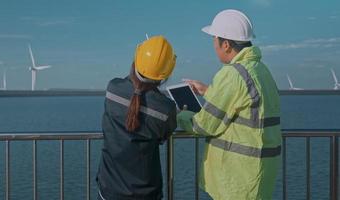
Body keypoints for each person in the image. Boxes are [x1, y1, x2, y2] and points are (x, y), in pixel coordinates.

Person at [178, 9, 281, 199]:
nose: (214, 47)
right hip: (261, 172)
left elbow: (203, 124)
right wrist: (209, 91)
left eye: (215, 42)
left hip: (239, 178)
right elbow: (245, 104)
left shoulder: (232, 74)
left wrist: (180, 115)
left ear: (226, 44)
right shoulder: (261, 70)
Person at [96, 35, 177, 200]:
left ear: (135, 62)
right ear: (164, 75)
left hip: (110, 190)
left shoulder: (113, 88)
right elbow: (163, 135)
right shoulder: (166, 109)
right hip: (146, 194)